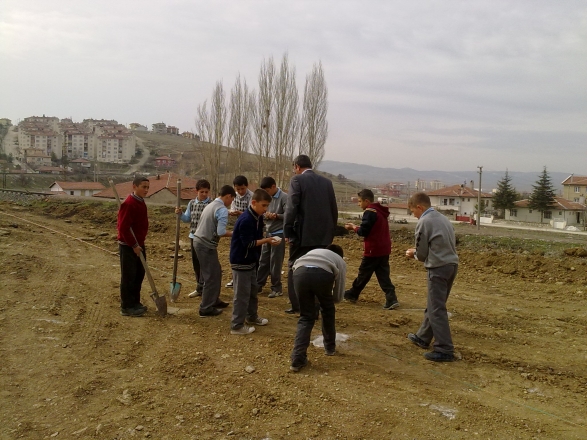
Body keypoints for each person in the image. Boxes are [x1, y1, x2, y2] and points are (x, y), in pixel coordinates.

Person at [405, 192, 459, 362]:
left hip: (438, 267)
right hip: (451, 265)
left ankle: (444, 349)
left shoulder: (424, 221)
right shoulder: (443, 218)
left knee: (436, 308)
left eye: (413, 211)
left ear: (419, 207)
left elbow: (421, 254)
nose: (413, 215)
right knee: (435, 303)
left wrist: (412, 253)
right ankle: (423, 336)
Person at [283, 154, 338, 314]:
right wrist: (330, 232)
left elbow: (291, 207)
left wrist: (288, 230)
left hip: (302, 235)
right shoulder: (327, 182)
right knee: (319, 267)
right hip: (323, 236)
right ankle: (317, 305)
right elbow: (333, 209)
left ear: (297, 167)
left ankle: (298, 305)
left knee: (295, 267)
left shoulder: (297, 180)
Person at [229, 189, 280, 335]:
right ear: (253, 203)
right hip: (241, 261)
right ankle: (236, 325)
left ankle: (251, 317)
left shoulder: (257, 218)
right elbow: (248, 244)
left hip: (251, 261)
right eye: (263, 206)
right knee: (241, 295)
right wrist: (267, 240)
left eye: (267, 206)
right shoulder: (246, 220)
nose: (266, 209)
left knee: (252, 291)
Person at [290, 244, 346, 372]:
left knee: (306, 317)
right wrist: (329, 301)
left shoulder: (314, 252)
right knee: (328, 311)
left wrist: (310, 299)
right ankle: (330, 348)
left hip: (299, 273)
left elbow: (297, 268)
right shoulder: (339, 260)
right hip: (322, 274)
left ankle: (297, 359)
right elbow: (338, 292)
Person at [344, 189, 399, 310]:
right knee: (383, 274)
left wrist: (353, 227)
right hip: (384, 248)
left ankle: (353, 293)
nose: (358, 204)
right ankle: (391, 297)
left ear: (367, 201)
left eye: (359, 201)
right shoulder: (380, 212)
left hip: (373, 249)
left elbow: (363, 231)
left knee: (364, 272)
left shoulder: (370, 212)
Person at [193, 185, 236, 317]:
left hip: (200, 241)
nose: (231, 203)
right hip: (205, 245)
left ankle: (213, 300)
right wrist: (236, 233)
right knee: (211, 276)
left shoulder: (211, 205)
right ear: (228, 196)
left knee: (216, 272)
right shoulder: (221, 209)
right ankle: (205, 308)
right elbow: (221, 232)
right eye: (231, 200)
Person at [117, 176, 150, 317]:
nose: (146, 190)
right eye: (143, 187)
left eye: (148, 187)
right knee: (129, 276)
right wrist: (134, 245)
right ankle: (127, 306)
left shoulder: (141, 202)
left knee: (139, 274)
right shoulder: (129, 204)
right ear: (134, 186)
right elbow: (123, 228)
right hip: (128, 246)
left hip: (139, 243)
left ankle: (135, 302)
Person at [175, 179, 211, 298]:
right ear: (197, 191)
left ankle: (206, 287)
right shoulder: (192, 203)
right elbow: (187, 219)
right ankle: (199, 287)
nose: (204, 194)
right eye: (202, 192)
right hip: (193, 237)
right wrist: (180, 214)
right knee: (196, 264)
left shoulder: (210, 204)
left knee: (205, 264)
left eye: (206, 192)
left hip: (205, 238)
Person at [256, 176, 288, 297]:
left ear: (273, 187)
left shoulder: (284, 198)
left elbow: (289, 215)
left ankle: (276, 287)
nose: (266, 194)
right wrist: (265, 215)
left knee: (275, 261)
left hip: (278, 233)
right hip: (268, 232)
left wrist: (276, 216)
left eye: (267, 191)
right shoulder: (265, 197)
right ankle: (259, 284)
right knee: (263, 259)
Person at [225, 175, 254, 288]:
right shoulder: (234, 196)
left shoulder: (251, 196)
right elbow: (232, 207)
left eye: (243, 189)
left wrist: (240, 213)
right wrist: (232, 212)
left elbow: (252, 213)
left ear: (246, 186)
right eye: (238, 189)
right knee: (236, 252)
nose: (241, 191)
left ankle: (249, 279)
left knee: (248, 253)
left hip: (249, 227)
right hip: (237, 227)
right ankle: (235, 279)